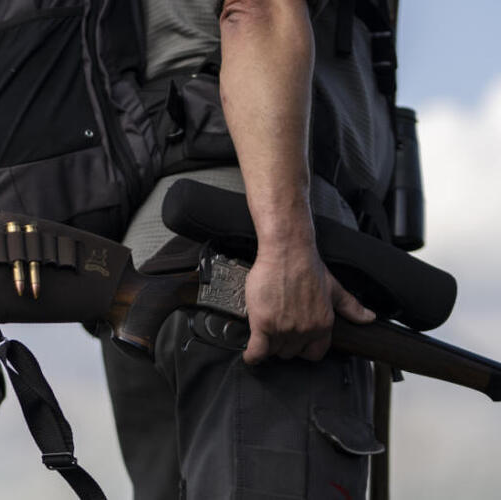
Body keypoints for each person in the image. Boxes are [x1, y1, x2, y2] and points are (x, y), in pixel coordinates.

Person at [101, 0, 396, 498]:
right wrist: (286, 247)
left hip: (150, 266)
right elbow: (258, 10)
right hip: (256, 259)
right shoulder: (279, 251)